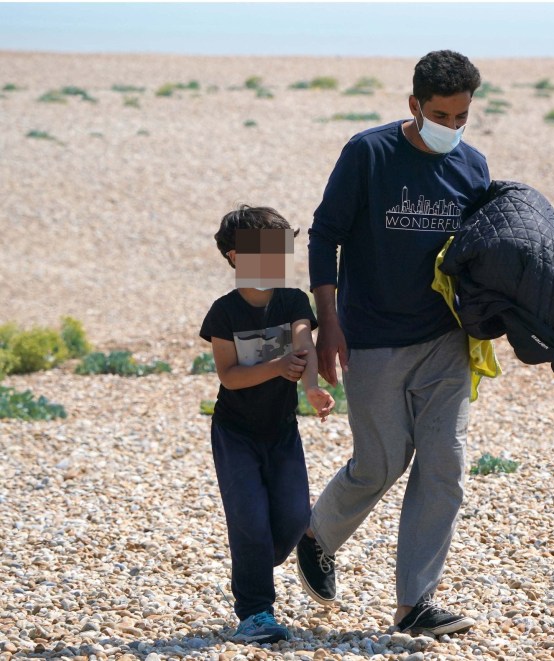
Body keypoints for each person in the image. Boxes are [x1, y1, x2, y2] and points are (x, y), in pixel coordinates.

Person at [297, 50, 490, 636]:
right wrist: (328, 322)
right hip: (372, 338)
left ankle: (415, 605)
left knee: (445, 466)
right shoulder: (369, 153)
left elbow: (484, 250)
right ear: (414, 105)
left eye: (461, 117)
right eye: (440, 115)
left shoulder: (472, 168)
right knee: (380, 462)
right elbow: (324, 236)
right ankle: (317, 539)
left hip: (446, 341)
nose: (451, 128)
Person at [200, 205, 335, 643]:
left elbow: (303, 341)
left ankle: (265, 557)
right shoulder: (223, 313)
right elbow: (230, 376)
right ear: (235, 256)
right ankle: (255, 612)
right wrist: (277, 368)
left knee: (295, 518)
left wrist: (310, 386)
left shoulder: (295, 301)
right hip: (235, 433)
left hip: (281, 432)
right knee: (248, 521)